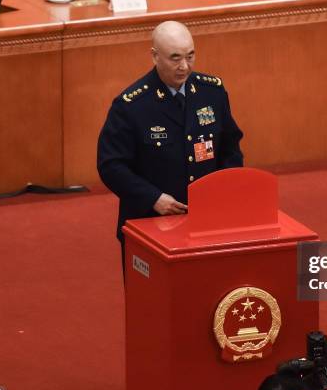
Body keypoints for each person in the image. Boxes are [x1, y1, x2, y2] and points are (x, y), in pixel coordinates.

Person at [97, 21, 244, 252]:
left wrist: (222, 191)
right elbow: (111, 165)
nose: (184, 66)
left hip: (207, 221)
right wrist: (153, 198)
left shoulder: (211, 92)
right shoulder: (132, 106)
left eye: (190, 56)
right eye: (175, 58)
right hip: (149, 223)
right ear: (155, 56)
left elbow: (230, 148)